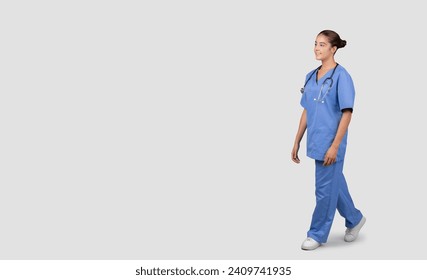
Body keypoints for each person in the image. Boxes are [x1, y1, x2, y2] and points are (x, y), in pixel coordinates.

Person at [291, 30, 366, 250]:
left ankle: (317, 233)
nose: (316, 48)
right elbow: (307, 109)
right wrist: (296, 140)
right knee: (334, 185)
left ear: (333, 49)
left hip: (331, 143)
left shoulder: (342, 76)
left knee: (323, 190)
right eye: (315, 43)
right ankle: (355, 219)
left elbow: (347, 113)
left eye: (322, 45)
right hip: (315, 140)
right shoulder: (310, 75)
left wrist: (335, 146)